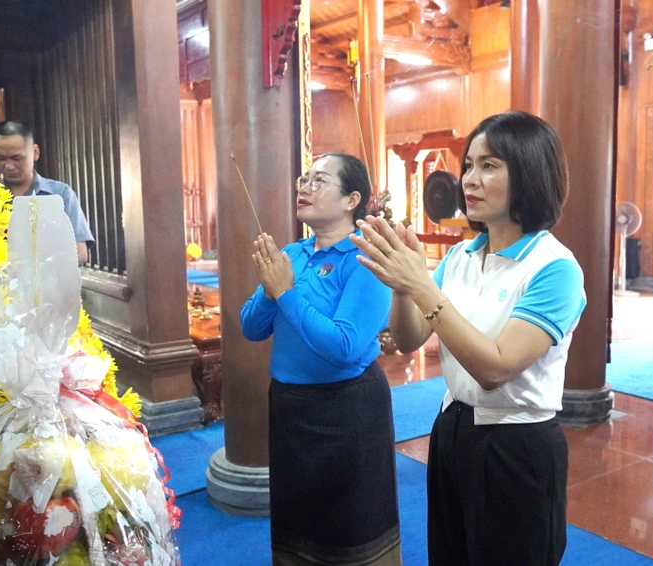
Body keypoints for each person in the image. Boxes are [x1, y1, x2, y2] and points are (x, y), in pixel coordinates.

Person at [351, 111, 583, 566]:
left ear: (531, 173)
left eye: (490, 165)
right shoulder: (461, 254)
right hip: (453, 428)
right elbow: (410, 337)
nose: (469, 181)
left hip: (516, 445)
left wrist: (420, 284)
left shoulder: (554, 268)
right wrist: (403, 285)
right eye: (469, 166)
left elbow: (495, 367)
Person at [240, 153, 401, 565]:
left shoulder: (367, 258)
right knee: (299, 530)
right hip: (291, 410)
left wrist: (286, 294)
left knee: (350, 532)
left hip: (348, 411)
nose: (304, 188)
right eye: (304, 179)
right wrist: (270, 288)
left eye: (319, 181)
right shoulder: (293, 253)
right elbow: (252, 328)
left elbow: (345, 346)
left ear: (352, 199)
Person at [0, 120, 95, 263]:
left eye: (17, 158)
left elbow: (80, 252)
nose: (9, 166)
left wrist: (31, 264)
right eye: (0, 158)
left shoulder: (60, 194)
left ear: (35, 152)